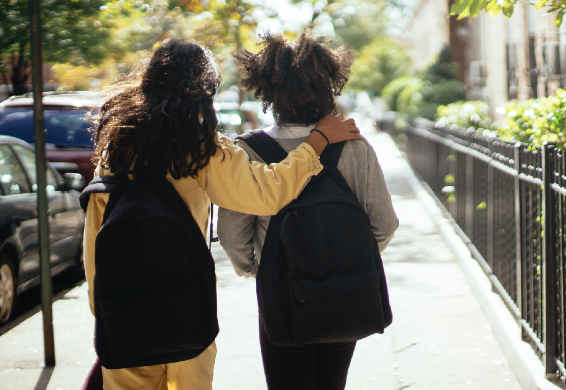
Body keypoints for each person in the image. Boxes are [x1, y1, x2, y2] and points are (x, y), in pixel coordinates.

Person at [83, 38, 361, 390]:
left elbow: (96, 229)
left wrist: (104, 310)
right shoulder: (196, 148)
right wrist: (318, 139)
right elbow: (267, 192)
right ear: (203, 88)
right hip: (183, 303)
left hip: (121, 304)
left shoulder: (116, 142)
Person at [218, 32, 399, 390]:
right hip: (344, 290)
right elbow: (385, 224)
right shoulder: (355, 148)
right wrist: (348, 259)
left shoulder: (248, 152)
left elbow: (232, 234)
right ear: (328, 86)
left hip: (282, 293)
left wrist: (257, 268)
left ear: (268, 91)